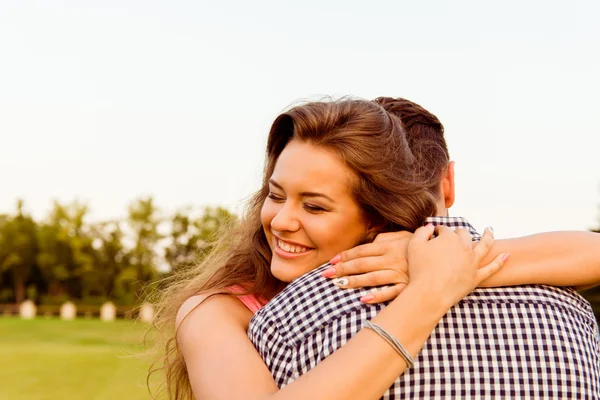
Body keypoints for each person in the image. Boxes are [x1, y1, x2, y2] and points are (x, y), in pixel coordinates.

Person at [151, 98, 600, 400]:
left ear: (378, 216)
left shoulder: (391, 268)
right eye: (275, 194)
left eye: (315, 206)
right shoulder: (216, 311)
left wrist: (435, 260)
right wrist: (431, 289)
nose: (282, 220)